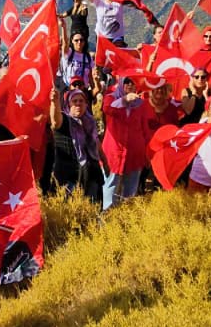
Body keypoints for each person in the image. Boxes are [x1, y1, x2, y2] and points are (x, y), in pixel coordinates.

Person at [101, 76, 154, 210]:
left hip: (135, 155)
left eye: (133, 82)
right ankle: (105, 223)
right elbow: (107, 109)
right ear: (121, 83)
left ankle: (125, 221)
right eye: (127, 82)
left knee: (129, 194)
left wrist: (149, 153)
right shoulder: (111, 98)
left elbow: (145, 130)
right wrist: (124, 100)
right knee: (110, 189)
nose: (130, 85)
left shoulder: (141, 104)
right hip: (113, 154)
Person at [50, 87, 105, 199]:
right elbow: (55, 122)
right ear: (69, 104)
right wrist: (54, 102)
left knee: (92, 211)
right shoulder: (64, 121)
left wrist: (105, 162)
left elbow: (96, 142)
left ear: (86, 104)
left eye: (81, 101)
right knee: (70, 211)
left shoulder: (89, 122)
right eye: (74, 101)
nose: (78, 104)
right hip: (68, 177)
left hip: (91, 175)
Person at [59, 31, 98, 98]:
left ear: (84, 42)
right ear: (72, 41)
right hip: (68, 89)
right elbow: (65, 44)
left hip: (83, 91)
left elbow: (90, 77)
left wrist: (93, 93)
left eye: (81, 40)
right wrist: (63, 27)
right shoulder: (69, 53)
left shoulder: (88, 57)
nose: (79, 42)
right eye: (76, 40)